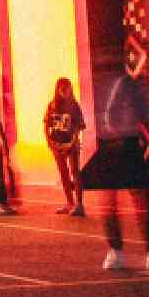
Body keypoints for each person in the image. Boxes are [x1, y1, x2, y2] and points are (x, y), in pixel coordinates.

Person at [85, 69, 149, 273]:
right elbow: (113, 115)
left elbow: (134, 117)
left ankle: (145, 253)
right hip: (116, 144)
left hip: (122, 143)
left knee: (136, 201)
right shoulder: (121, 83)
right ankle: (121, 251)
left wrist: (142, 137)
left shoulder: (127, 84)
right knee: (118, 201)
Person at [44, 78, 87, 217]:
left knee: (75, 171)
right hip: (57, 143)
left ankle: (79, 205)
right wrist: (49, 141)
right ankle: (69, 203)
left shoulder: (74, 105)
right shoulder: (52, 105)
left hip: (71, 144)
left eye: (67, 88)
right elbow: (46, 124)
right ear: (57, 90)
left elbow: (79, 126)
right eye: (62, 89)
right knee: (63, 173)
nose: (64, 91)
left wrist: (72, 142)